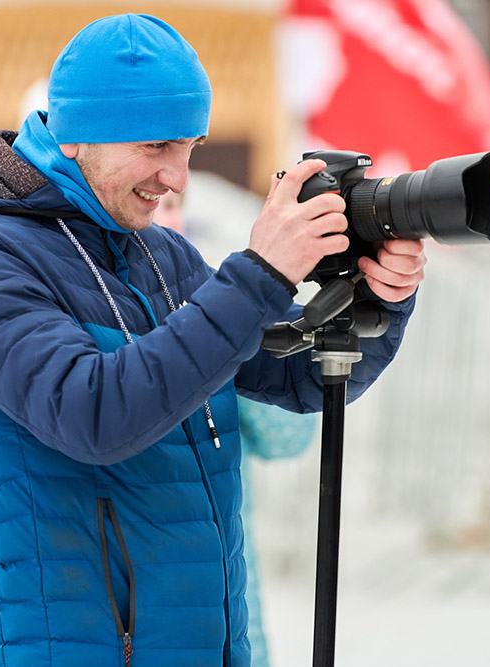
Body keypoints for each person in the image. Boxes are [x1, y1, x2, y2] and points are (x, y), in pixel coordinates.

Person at [0, 13, 426, 666]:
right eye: (158, 146)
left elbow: (297, 375)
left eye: (189, 146)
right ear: (77, 135)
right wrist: (260, 273)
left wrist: (374, 301)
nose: (179, 177)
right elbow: (94, 415)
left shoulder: (161, 254)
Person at [157, 188, 317, 665]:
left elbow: (291, 437)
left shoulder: (216, 304)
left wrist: (227, 338)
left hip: (225, 585)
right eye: (153, 202)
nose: (162, 218)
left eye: (172, 205)